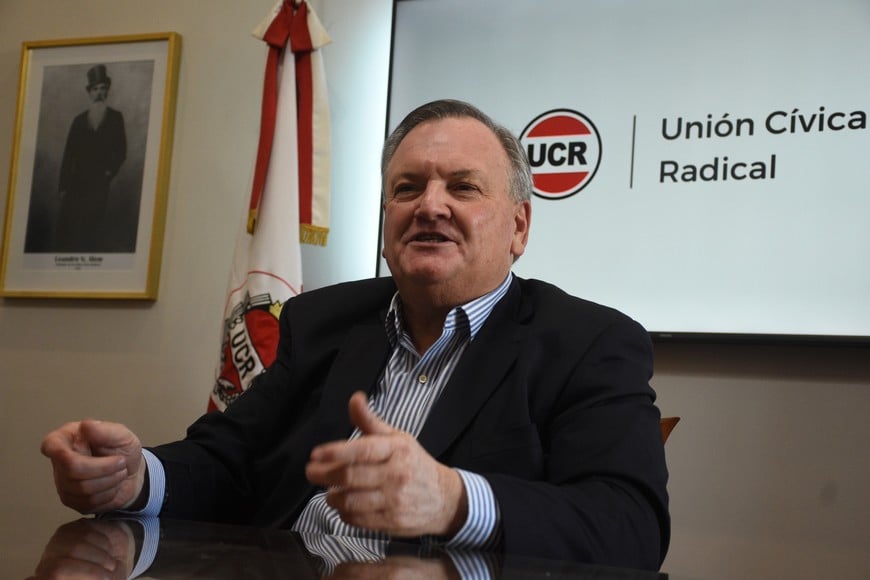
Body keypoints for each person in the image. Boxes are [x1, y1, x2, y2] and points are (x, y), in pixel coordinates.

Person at [41, 99, 670, 571]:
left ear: (519, 227)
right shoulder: (324, 322)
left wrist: (456, 500)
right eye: (407, 188)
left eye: (462, 187)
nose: (429, 205)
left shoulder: (588, 342)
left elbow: (630, 525)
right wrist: (137, 477)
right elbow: (232, 459)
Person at [54, 63, 127, 252]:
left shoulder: (115, 118)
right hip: (76, 185)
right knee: (71, 230)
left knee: (92, 229)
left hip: (99, 184)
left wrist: (108, 172)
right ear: (89, 92)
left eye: (103, 88)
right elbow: (68, 155)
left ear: (108, 91)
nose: (99, 93)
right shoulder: (78, 121)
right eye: (95, 89)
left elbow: (121, 151)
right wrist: (63, 187)